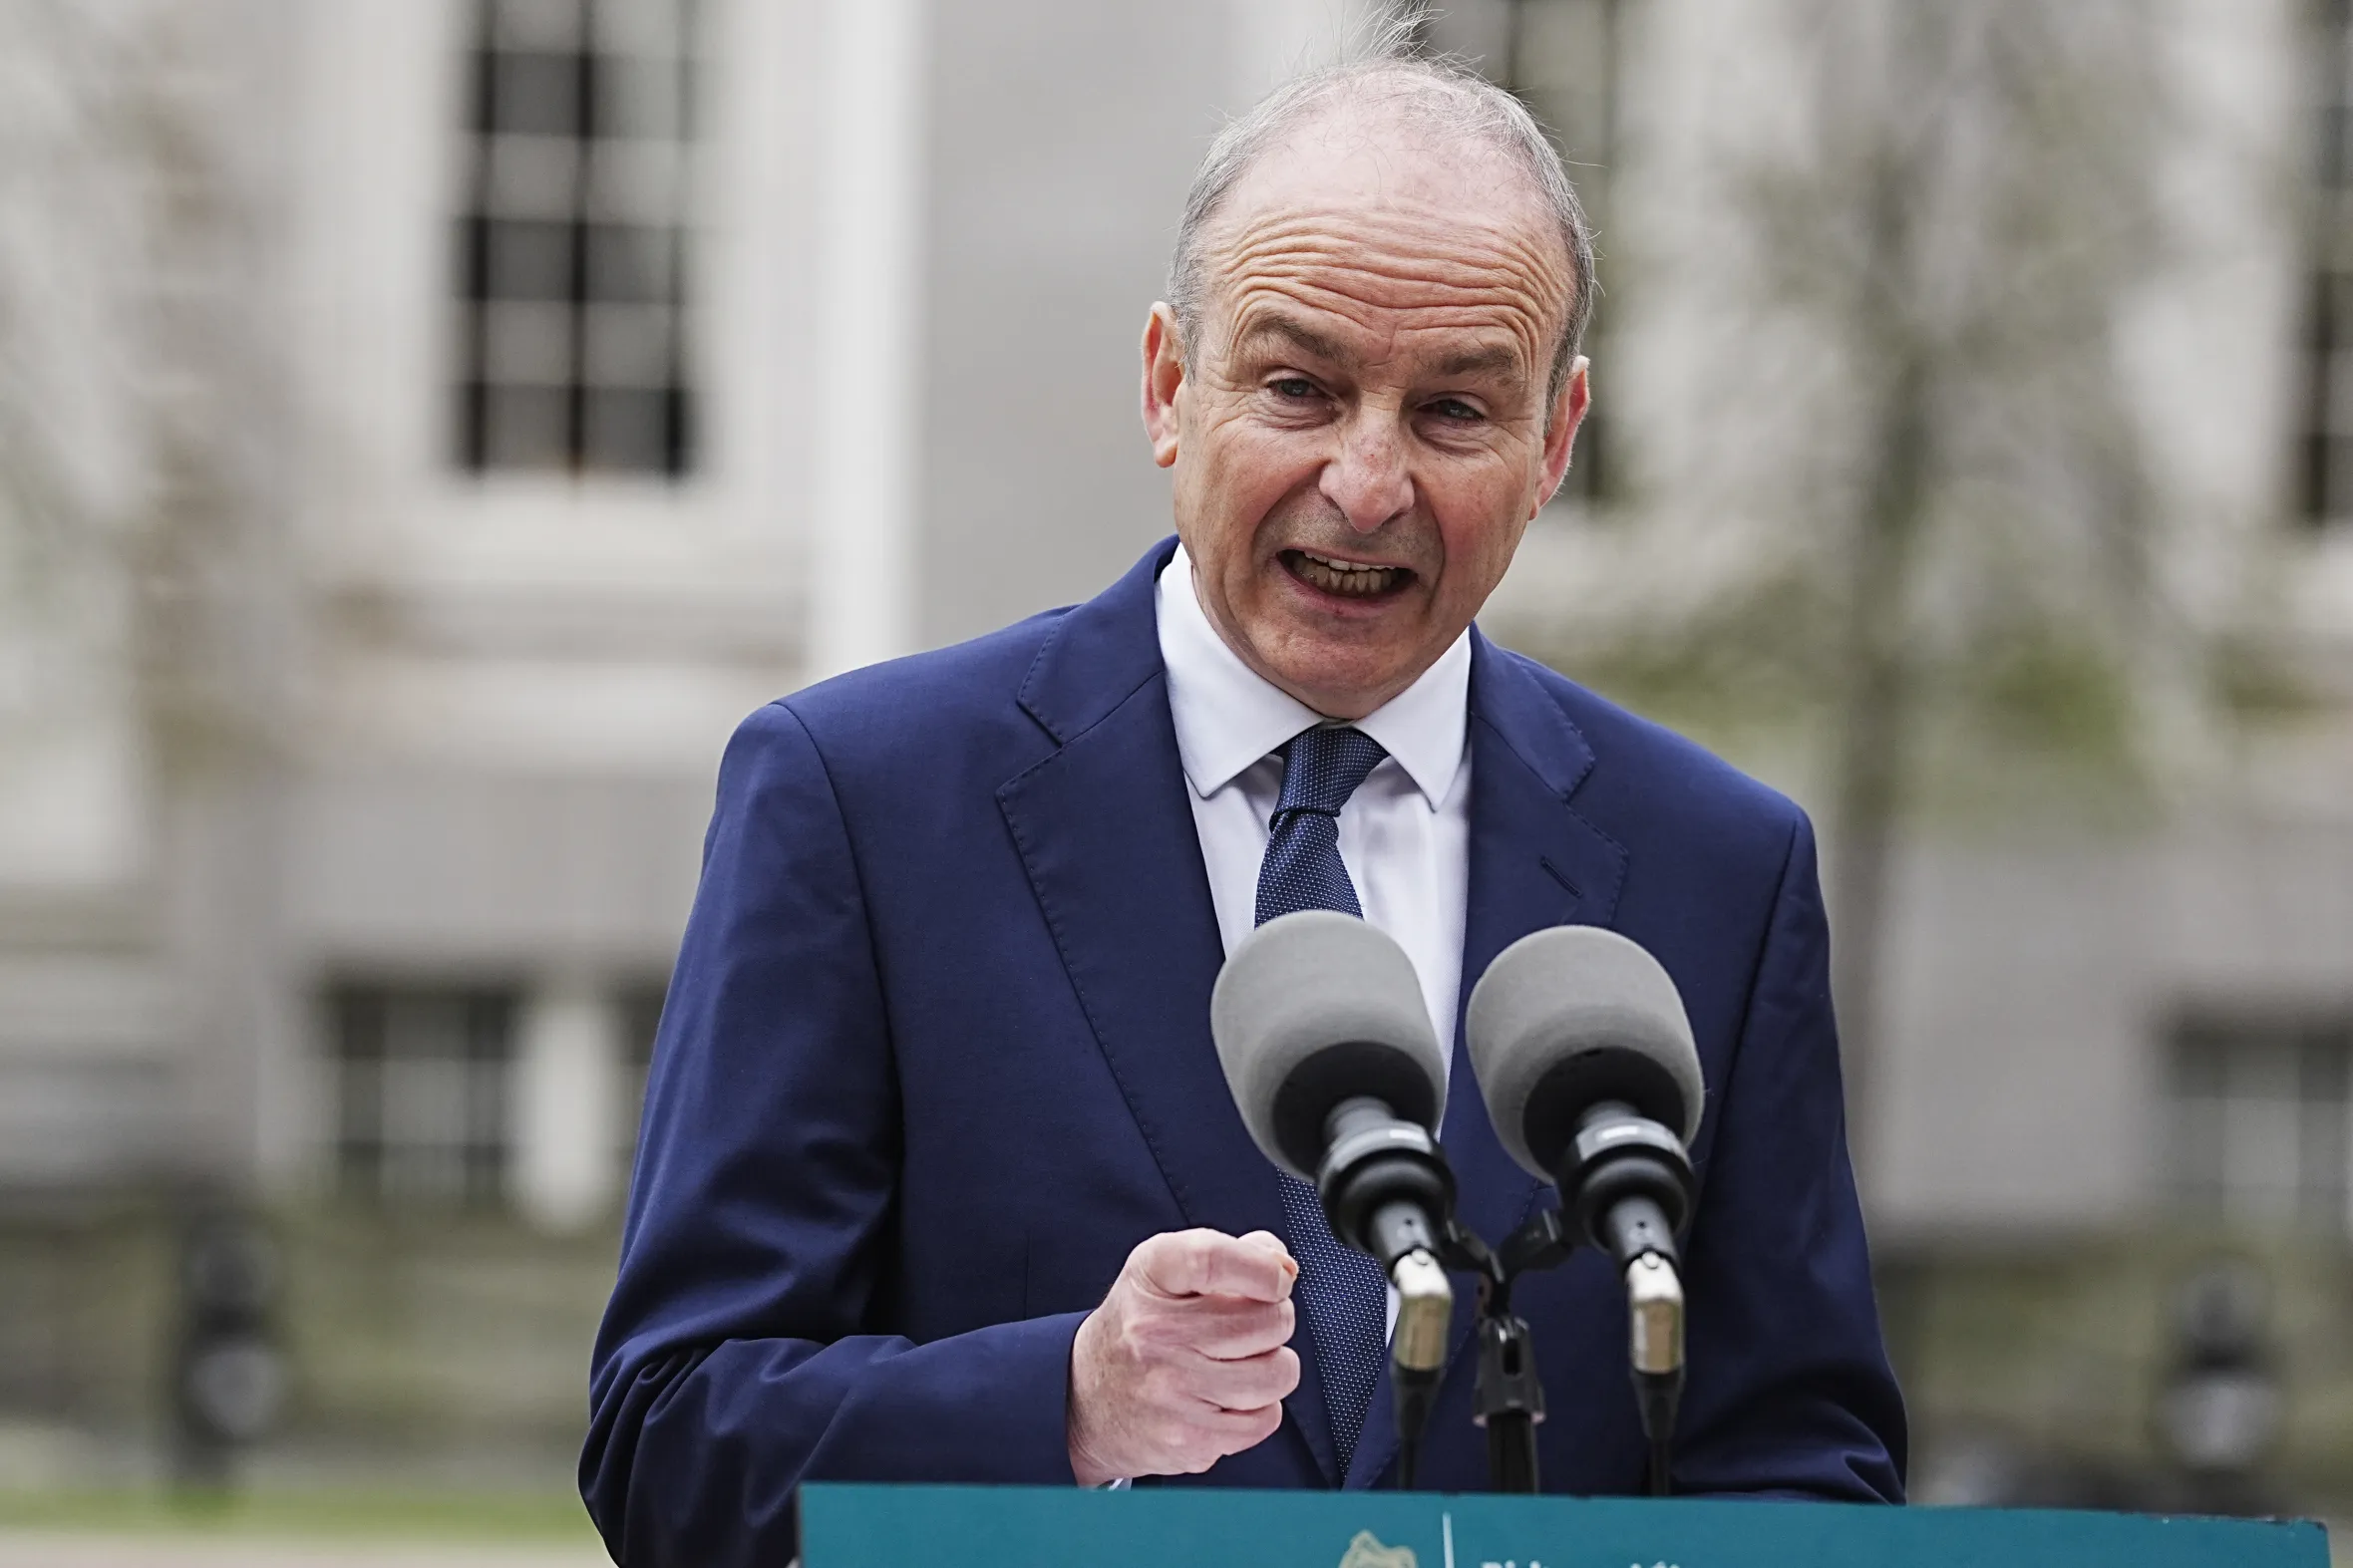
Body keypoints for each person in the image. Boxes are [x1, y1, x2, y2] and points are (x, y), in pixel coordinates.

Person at [580, 49, 1905, 1568]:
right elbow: (670, 1445)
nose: (1365, 481)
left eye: (1457, 411)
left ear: (1556, 441)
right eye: (1299, 385)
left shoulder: (1716, 875)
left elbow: (1808, 1471)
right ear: (1167, 385)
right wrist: (1070, 1402)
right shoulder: (862, 805)